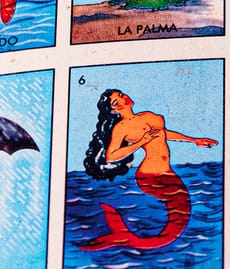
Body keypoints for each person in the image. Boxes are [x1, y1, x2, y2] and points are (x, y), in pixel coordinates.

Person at [78, 88, 215, 252]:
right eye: (116, 101)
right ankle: (123, 237)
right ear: (114, 110)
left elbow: (162, 134)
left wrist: (193, 140)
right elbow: (111, 156)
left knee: (179, 219)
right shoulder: (121, 128)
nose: (123, 98)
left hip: (167, 173)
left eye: (121, 95)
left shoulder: (146, 116)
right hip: (150, 176)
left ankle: (126, 238)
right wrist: (141, 141)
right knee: (179, 217)